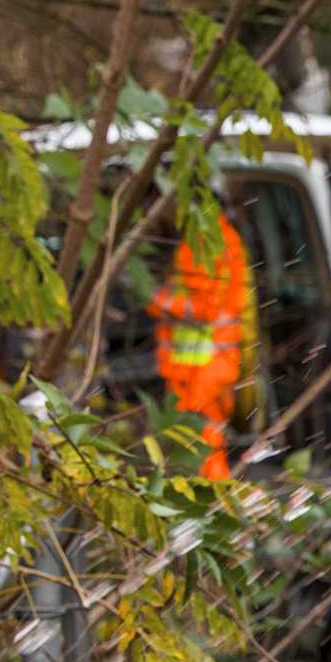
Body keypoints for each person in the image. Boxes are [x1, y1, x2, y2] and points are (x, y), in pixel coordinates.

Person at [148, 198, 253, 481]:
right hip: (202, 364)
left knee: (202, 438)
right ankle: (211, 497)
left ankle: (212, 498)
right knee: (200, 437)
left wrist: (156, 299)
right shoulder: (213, 239)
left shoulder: (208, 243)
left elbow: (204, 309)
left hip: (204, 365)